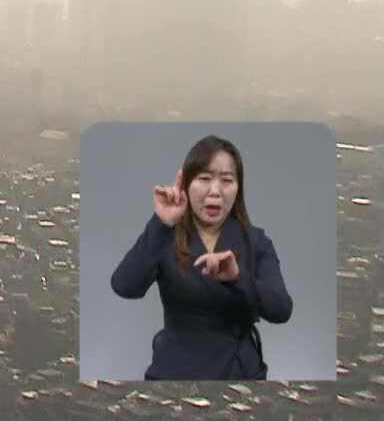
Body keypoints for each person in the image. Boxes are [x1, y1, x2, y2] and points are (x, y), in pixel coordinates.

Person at [110, 134, 293, 379]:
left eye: (227, 180)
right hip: (175, 371)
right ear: (186, 183)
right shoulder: (165, 236)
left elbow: (281, 309)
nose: (215, 191)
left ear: (238, 188)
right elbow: (125, 286)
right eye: (204, 178)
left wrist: (237, 278)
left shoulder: (256, 242)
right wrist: (161, 224)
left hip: (239, 374)